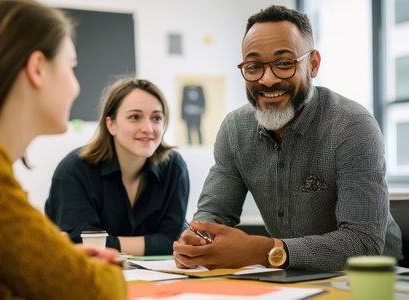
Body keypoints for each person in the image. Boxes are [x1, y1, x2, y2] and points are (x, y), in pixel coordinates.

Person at [173, 5, 403, 272]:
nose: (267, 80)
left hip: (373, 278)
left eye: (284, 64)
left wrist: (265, 251)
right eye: (253, 66)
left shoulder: (352, 126)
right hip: (290, 276)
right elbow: (214, 213)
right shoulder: (235, 129)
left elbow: (363, 244)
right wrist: (200, 239)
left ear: (313, 64)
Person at [0, 0, 126, 299]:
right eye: (72, 67)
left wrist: (56, 256)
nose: (76, 86)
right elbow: (91, 291)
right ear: (37, 68)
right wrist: (93, 270)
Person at [45, 77, 189, 256]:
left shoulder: (174, 168)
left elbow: (174, 241)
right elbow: (80, 243)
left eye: (156, 118)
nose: (148, 128)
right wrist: (155, 242)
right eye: (135, 117)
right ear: (111, 124)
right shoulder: (74, 170)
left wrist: (107, 244)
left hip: (158, 280)